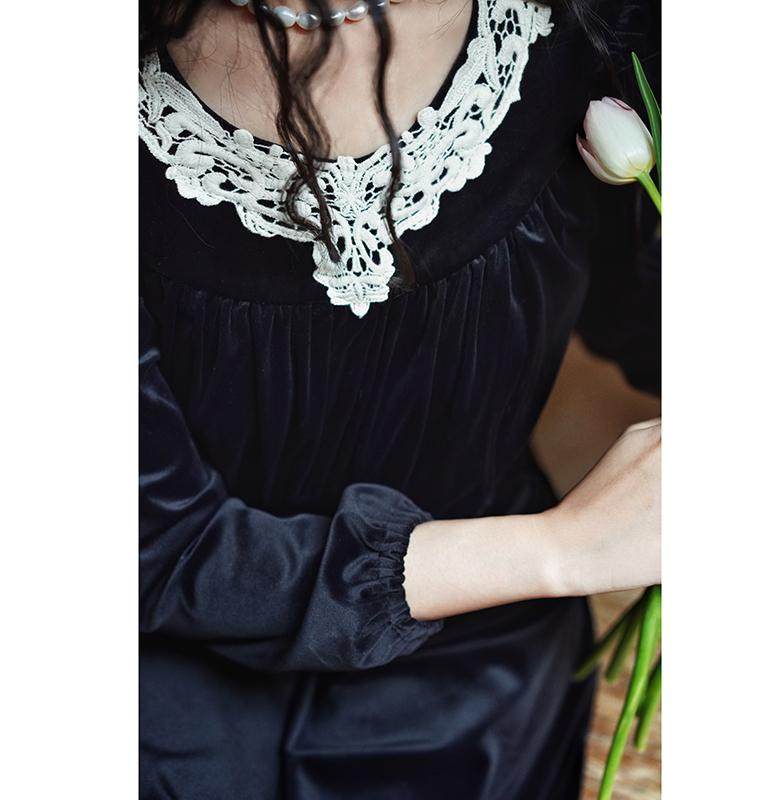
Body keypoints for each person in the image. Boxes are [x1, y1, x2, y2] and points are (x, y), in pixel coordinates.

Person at [139, 0, 661, 797]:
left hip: (477, 684)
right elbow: (149, 547)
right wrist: (562, 549)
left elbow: (651, 325)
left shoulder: (592, 25)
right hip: (156, 689)